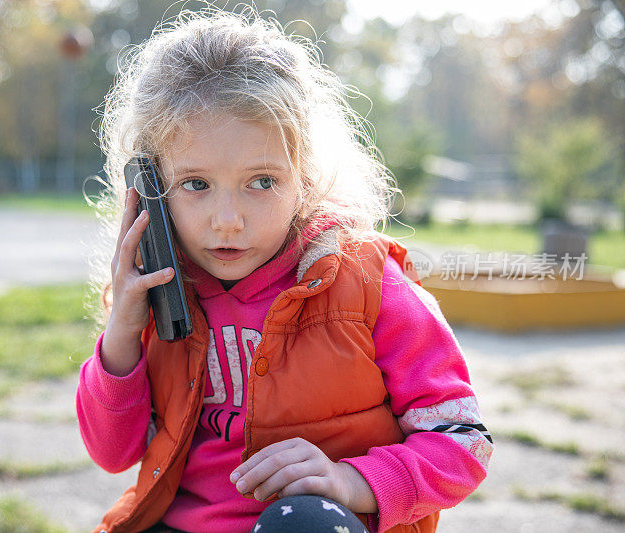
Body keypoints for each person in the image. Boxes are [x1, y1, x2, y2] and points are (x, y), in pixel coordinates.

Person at [76, 7, 493, 533]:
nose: (228, 222)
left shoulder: (367, 283)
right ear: (150, 189)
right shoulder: (159, 292)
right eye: (196, 184)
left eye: (262, 181)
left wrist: (352, 482)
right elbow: (113, 455)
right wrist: (122, 335)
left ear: (306, 176)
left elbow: (463, 442)